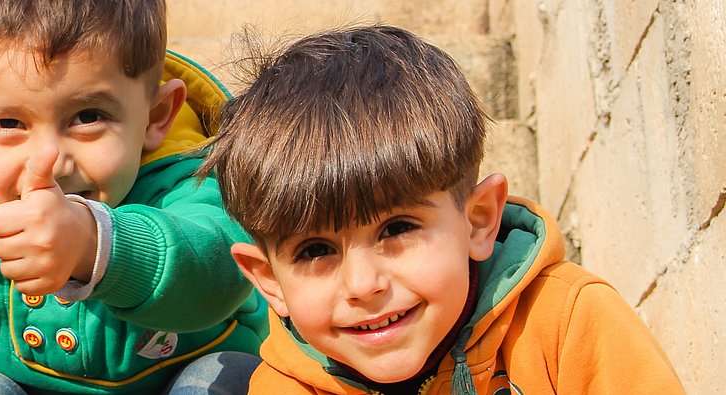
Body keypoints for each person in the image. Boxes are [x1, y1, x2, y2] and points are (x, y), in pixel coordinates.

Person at [201, 24, 685, 394]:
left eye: (397, 228)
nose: (363, 285)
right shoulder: (287, 385)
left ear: (478, 221)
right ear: (269, 282)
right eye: (314, 250)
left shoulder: (567, 322)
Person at [0, 1, 268, 393]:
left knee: (228, 375)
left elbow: (215, 278)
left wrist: (94, 244)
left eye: (88, 117)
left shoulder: (199, 183)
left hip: (180, 380)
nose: (50, 162)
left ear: (157, 115)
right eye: (7, 123)